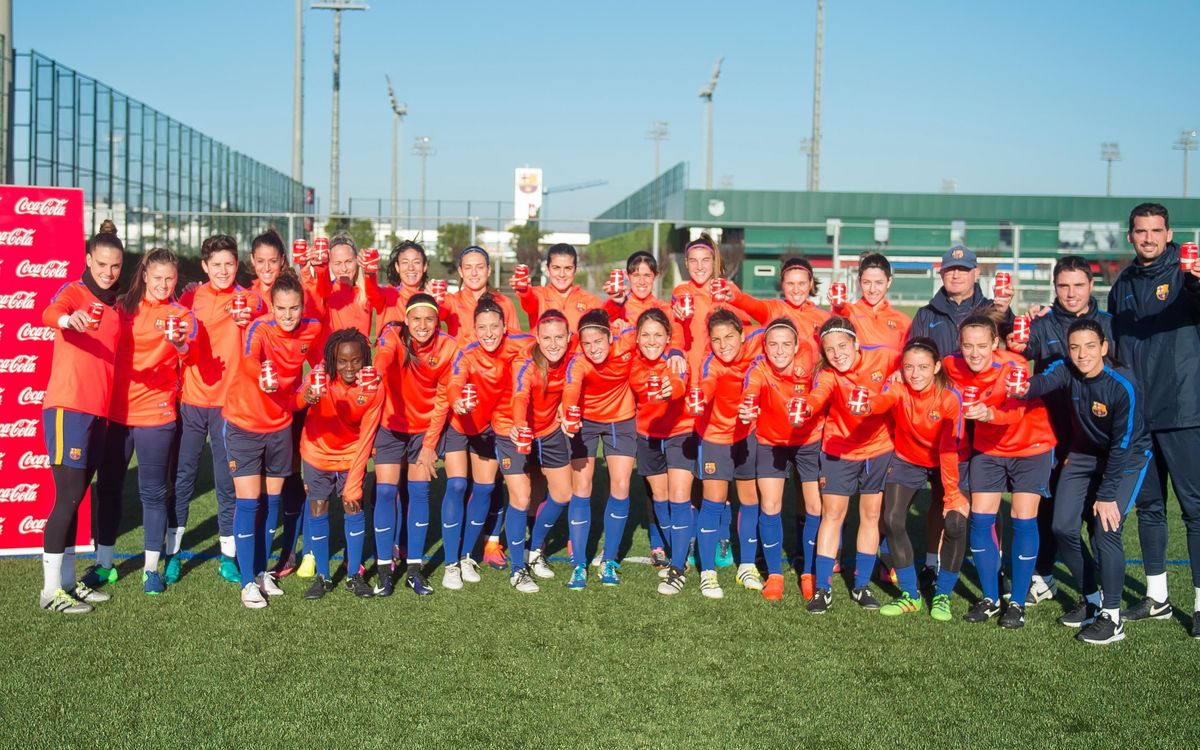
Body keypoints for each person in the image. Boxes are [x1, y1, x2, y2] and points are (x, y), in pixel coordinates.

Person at [1013, 319, 1152, 644]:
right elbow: (1041, 383)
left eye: (1090, 346)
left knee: (1106, 530)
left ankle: (1112, 618)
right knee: (1062, 527)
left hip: (1126, 457)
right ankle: (1091, 600)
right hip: (1083, 453)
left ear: (1104, 347)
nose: (1082, 354)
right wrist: (1020, 388)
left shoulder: (1122, 384)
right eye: (1074, 347)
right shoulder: (1066, 369)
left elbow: (1123, 443)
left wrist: (1105, 495)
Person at [1107, 202, 1200, 637]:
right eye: (1140, 231)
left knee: (1195, 510)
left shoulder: (1188, 275)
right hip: (1138, 417)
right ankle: (1158, 596)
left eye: (1156, 231)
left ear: (1168, 233)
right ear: (1130, 236)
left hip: (1184, 410)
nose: (1148, 238)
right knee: (1149, 508)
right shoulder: (1122, 282)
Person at [1010, 255, 1113, 607]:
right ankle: (1045, 575)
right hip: (1053, 433)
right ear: (1055, 288)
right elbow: (1019, 349)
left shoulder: (1108, 325)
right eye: (1064, 286)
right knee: (1050, 508)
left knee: (1097, 515)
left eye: (1078, 285)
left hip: (1099, 436)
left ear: (1091, 286)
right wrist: (1015, 333)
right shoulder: (1043, 324)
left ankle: (1103, 588)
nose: (1071, 293)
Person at [944, 312, 1056, 629]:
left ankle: (1018, 602)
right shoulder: (953, 364)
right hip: (990, 449)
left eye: (982, 345)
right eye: (968, 346)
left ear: (995, 342)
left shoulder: (1013, 367)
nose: (975, 353)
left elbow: (1015, 411)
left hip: (1030, 445)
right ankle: (992, 598)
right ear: (960, 345)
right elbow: (932, 370)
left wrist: (987, 412)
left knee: (1023, 519)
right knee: (980, 519)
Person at [93, 248, 194, 596]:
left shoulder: (181, 315)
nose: (164, 284)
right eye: (158, 278)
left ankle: (151, 569)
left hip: (157, 415)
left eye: (171, 278)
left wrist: (180, 343)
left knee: (153, 493)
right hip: (116, 414)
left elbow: (189, 348)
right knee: (107, 489)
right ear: (145, 276)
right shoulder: (121, 307)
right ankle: (104, 565)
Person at [221, 270, 322, 609]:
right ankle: (247, 580)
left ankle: (263, 572)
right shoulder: (259, 328)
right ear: (272, 306)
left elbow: (318, 368)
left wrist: (309, 394)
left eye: (294, 308)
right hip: (245, 424)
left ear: (302, 306)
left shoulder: (312, 329)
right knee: (249, 503)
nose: (288, 316)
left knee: (273, 503)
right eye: (281, 308)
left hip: (280, 426)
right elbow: (250, 361)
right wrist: (263, 379)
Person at [727, 256, 830, 582]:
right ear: (782, 286)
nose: (797, 289)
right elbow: (748, 305)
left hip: (810, 423)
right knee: (772, 500)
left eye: (803, 282)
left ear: (812, 284)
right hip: (774, 423)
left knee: (809, 499)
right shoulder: (774, 310)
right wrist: (733, 294)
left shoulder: (823, 318)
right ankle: (774, 569)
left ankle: (807, 560)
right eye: (790, 283)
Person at [38, 229, 124, 614]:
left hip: (97, 412)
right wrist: (66, 319)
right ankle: (50, 591)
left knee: (78, 499)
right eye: (101, 264)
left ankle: (69, 584)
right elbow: (49, 312)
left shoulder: (116, 303)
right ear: (89, 259)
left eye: (115, 266)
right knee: (68, 497)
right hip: (68, 408)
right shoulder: (75, 291)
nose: (107, 272)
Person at [422, 296, 531, 589]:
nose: (489, 333)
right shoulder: (466, 352)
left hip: (487, 428)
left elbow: (553, 338)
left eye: (494, 326)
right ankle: (450, 564)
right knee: (457, 485)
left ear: (504, 326)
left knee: (484, 489)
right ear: (474, 329)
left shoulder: (519, 344)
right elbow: (454, 383)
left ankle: (468, 555)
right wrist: (457, 404)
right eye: (482, 327)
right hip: (460, 424)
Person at [172, 234, 262, 586]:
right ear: (205, 266)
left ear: (236, 265)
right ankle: (173, 552)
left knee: (227, 484)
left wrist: (248, 316)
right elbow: (181, 336)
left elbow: (259, 312)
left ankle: (228, 556)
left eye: (229, 264)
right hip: (193, 402)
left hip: (229, 406)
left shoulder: (247, 299)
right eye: (216, 265)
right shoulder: (192, 298)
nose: (223, 271)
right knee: (183, 479)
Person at [354, 293, 457, 597]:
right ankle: (385, 568)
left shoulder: (448, 346)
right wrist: (377, 374)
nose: (422, 325)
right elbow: (384, 357)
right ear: (407, 319)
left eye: (429, 319)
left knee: (420, 492)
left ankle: (414, 568)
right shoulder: (392, 335)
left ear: (437, 321)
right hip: (391, 426)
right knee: (385, 492)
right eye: (416, 319)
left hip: (424, 430)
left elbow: (443, 399)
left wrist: (429, 444)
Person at [801, 317, 900, 614]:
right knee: (833, 515)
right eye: (829, 349)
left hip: (878, 449)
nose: (837, 353)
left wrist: (901, 376)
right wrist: (806, 407)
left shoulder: (884, 356)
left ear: (857, 343)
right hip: (839, 449)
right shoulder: (829, 375)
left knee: (871, 515)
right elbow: (818, 395)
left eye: (843, 346)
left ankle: (861, 585)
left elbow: (914, 360)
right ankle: (823, 588)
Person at [872, 338, 969, 620]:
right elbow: (883, 401)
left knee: (955, 521)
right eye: (909, 367)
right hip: (908, 459)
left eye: (923, 367)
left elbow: (949, 448)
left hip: (949, 459)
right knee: (891, 519)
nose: (915, 374)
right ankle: (910, 595)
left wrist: (952, 495)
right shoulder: (898, 386)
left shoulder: (951, 397)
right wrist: (866, 406)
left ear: (937, 367)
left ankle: (942, 595)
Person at [297, 328, 381, 600]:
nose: (349, 367)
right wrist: (306, 396)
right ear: (333, 360)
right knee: (319, 506)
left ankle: (354, 574)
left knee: (352, 503)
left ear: (365, 359)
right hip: (316, 452)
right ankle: (323, 575)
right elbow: (296, 399)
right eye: (342, 361)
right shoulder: (320, 375)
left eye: (355, 360)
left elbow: (367, 436)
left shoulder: (372, 387)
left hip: (352, 454)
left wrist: (355, 484)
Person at [742, 318, 821, 601]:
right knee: (771, 504)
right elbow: (750, 392)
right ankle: (774, 574)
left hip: (808, 442)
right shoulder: (759, 368)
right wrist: (747, 408)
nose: (779, 350)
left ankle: (808, 572)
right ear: (764, 347)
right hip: (771, 442)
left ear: (796, 346)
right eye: (773, 344)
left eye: (786, 344)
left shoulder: (810, 365)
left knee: (814, 505)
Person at [498, 310, 576, 593]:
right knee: (521, 498)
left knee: (564, 493)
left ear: (569, 337)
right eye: (547, 338)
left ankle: (534, 550)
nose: (553, 344)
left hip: (550, 429)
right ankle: (517, 570)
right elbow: (520, 395)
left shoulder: (574, 352)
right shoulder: (526, 362)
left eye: (559, 337)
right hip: (513, 429)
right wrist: (519, 425)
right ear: (537, 338)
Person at [561, 309, 640, 587]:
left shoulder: (627, 340)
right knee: (582, 487)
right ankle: (579, 563)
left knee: (620, 486)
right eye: (587, 343)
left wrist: (676, 353)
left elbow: (656, 332)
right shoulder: (579, 362)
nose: (593, 349)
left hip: (621, 419)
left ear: (610, 336)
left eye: (599, 341)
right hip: (586, 422)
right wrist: (569, 412)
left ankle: (609, 560)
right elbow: (571, 389)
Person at [691, 310, 764, 599]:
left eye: (729, 337)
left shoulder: (757, 348)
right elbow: (707, 386)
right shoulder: (711, 364)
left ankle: (746, 565)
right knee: (713, 501)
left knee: (749, 500)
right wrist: (699, 400)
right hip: (715, 438)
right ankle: (707, 573)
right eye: (717, 339)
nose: (724, 345)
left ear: (742, 335)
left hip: (747, 436)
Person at [625, 308, 695, 595]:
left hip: (681, 432)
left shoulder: (677, 361)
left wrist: (671, 390)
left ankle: (677, 568)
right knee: (661, 498)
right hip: (648, 436)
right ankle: (676, 549)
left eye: (658, 335)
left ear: (668, 338)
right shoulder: (631, 363)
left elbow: (678, 385)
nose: (652, 340)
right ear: (637, 338)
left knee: (679, 497)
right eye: (646, 335)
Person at [909, 244, 1013, 357]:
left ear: (976, 272)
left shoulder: (993, 310)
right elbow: (914, 356)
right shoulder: (925, 315)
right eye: (950, 269)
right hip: (941, 375)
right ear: (942, 273)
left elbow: (1016, 346)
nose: (956, 275)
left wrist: (1005, 313)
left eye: (963, 269)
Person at [512, 243, 602, 332]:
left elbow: (605, 333)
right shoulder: (539, 295)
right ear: (548, 268)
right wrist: (524, 291)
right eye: (556, 268)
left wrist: (615, 304)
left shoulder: (591, 301)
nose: (562, 274)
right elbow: (529, 299)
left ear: (575, 269)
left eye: (568, 268)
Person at [829, 253, 911, 351]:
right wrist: (836, 307)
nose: (872, 289)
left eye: (879, 283)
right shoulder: (847, 312)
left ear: (889, 282)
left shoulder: (903, 322)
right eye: (866, 282)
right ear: (859, 281)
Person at [441, 246, 521, 344]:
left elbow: (516, 343)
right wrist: (431, 301)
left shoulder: (504, 302)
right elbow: (433, 315)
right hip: (461, 359)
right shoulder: (451, 301)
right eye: (468, 268)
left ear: (489, 270)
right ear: (460, 272)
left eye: (480, 267)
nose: (474, 273)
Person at [379, 240, 432, 328]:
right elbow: (371, 291)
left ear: (424, 266)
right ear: (397, 267)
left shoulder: (431, 298)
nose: (411, 268)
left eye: (416, 262)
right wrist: (369, 273)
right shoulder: (386, 295)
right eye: (405, 262)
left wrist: (437, 302)